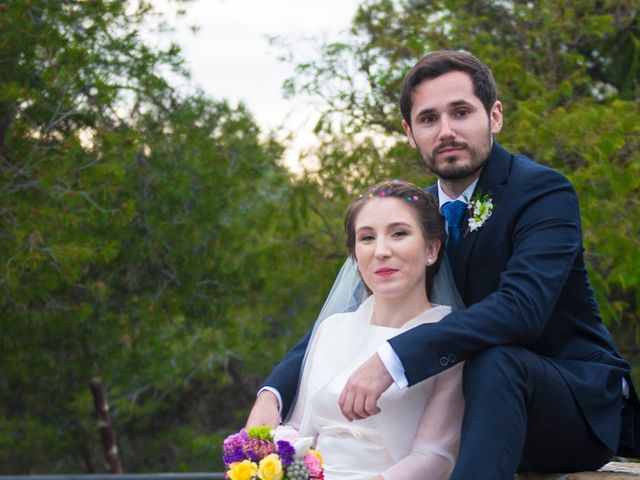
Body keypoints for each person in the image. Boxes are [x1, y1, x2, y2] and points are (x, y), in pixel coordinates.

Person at [247, 50, 640, 478]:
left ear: (494, 116)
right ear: (410, 133)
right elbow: (348, 316)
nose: (447, 130)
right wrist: (273, 392)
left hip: (564, 402)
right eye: (429, 118)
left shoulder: (541, 192)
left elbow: (522, 309)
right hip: (459, 411)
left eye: (461, 112)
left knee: (496, 360)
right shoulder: (414, 216)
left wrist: (392, 358)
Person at [285, 180, 464, 479]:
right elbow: (297, 428)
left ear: (432, 249)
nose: (381, 251)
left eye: (399, 234)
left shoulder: (448, 335)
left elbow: (435, 455)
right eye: (367, 238)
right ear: (355, 254)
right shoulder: (331, 330)